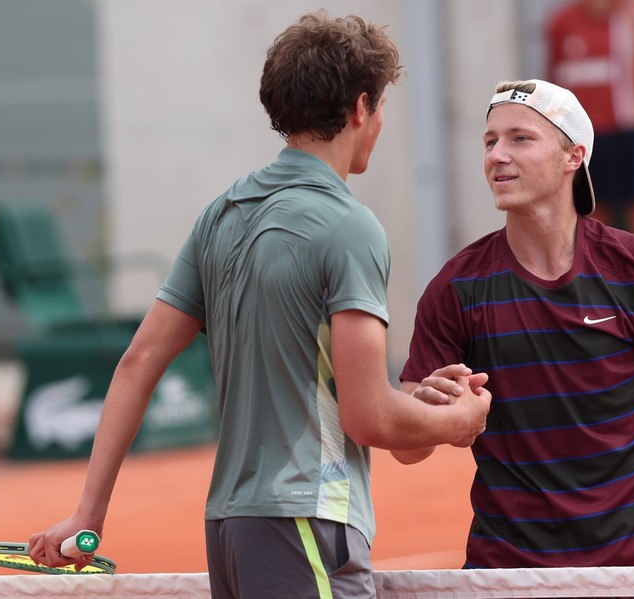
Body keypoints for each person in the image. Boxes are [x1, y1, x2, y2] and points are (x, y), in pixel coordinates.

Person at [26, 11, 491, 598]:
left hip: (230, 530)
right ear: (360, 108)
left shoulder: (221, 215)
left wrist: (88, 513)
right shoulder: (351, 227)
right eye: (379, 107)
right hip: (307, 522)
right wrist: (457, 421)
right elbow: (368, 416)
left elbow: (138, 361)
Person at [392, 79, 634, 568]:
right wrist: (428, 411)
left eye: (520, 138)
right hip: (512, 575)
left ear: (573, 156)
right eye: (490, 141)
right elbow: (408, 448)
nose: (497, 155)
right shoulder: (456, 287)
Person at [545, 0, 634, 264]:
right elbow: (554, 80)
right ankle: (596, 292)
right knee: (587, 239)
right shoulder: (561, 21)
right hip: (582, 142)